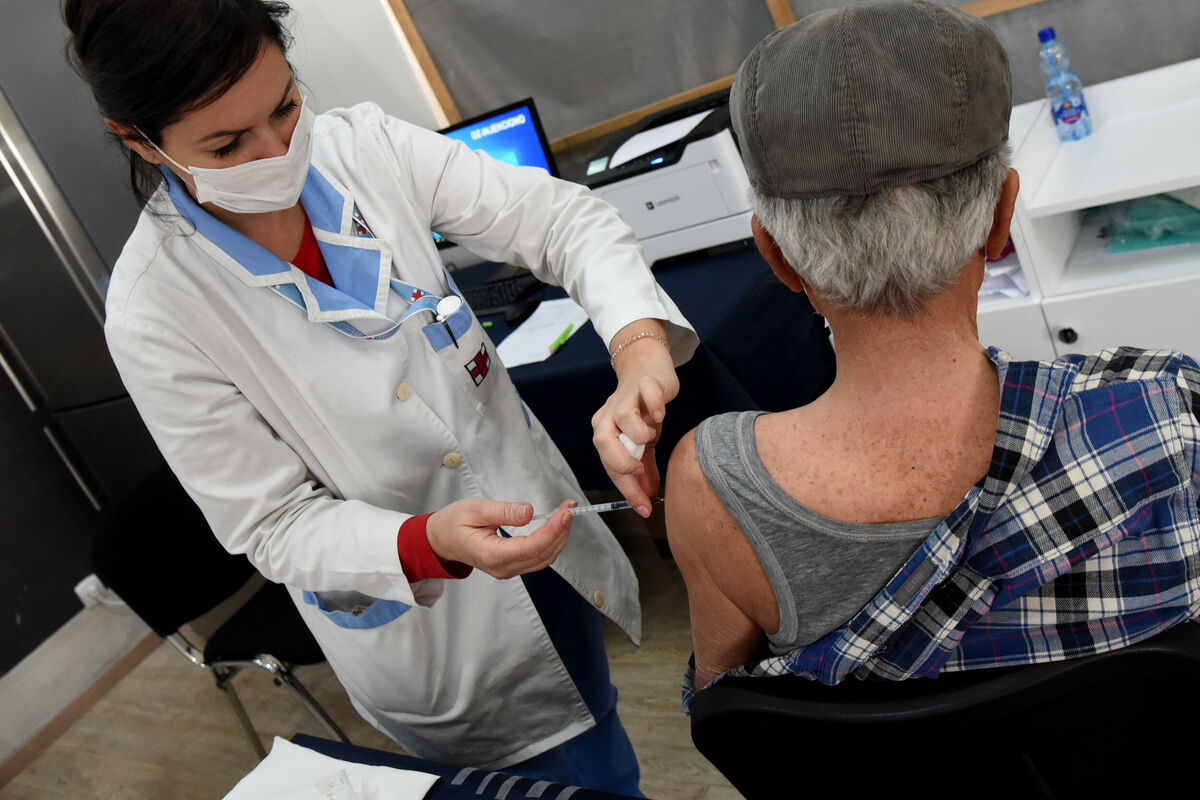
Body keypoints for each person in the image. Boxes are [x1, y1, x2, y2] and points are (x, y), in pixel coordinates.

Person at [64, 0, 698, 790]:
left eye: (285, 107)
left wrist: (638, 351)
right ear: (138, 140)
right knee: (532, 781)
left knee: (600, 739)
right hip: (431, 617)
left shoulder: (361, 147)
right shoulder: (156, 309)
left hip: (538, 527)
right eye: (227, 145)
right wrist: (423, 542)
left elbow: (562, 221)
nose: (278, 151)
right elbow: (272, 522)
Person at [664, 0, 1200, 705]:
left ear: (778, 256)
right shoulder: (1167, 415)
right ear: (1001, 217)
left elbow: (734, 716)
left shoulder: (711, 488)